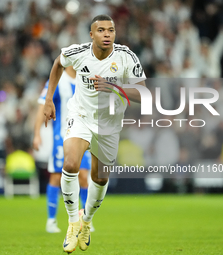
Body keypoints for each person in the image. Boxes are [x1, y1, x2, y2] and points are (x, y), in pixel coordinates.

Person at [43, 15, 146, 253]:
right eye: (101, 30)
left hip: (108, 124)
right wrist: (49, 99)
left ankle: (86, 221)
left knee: (99, 178)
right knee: (70, 164)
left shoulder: (126, 57)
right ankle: (72, 222)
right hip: (80, 117)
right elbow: (58, 63)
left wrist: (114, 87)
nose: (107, 34)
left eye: (111, 30)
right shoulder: (78, 52)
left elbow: (144, 94)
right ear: (92, 35)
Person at [33, 66, 92, 233]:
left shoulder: (85, 79)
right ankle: (51, 220)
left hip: (83, 136)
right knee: (57, 177)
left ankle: (85, 220)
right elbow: (42, 106)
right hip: (62, 137)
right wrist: (37, 134)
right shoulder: (57, 81)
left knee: (83, 176)